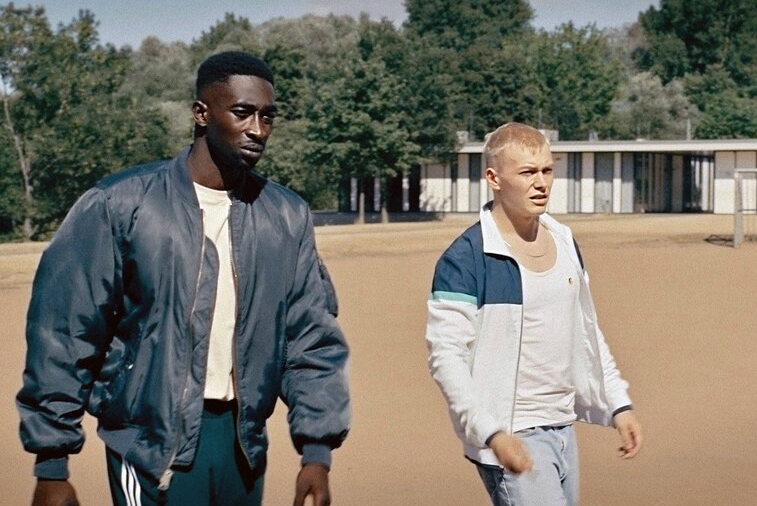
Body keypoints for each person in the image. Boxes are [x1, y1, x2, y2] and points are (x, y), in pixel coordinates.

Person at [17, 51, 350, 506]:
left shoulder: (286, 215)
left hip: (242, 448)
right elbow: (64, 330)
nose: (257, 129)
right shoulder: (120, 204)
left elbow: (309, 337)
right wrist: (52, 463)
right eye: (242, 112)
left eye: (267, 116)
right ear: (201, 113)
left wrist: (316, 451)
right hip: (149, 448)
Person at [425, 122, 642, 505]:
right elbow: (446, 358)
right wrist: (492, 433)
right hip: (514, 434)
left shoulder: (564, 241)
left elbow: (587, 332)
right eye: (527, 172)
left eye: (547, 170)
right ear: (493, 178)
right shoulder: (466, 259)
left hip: (563, 426)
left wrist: (617, 405)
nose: (541, 183)